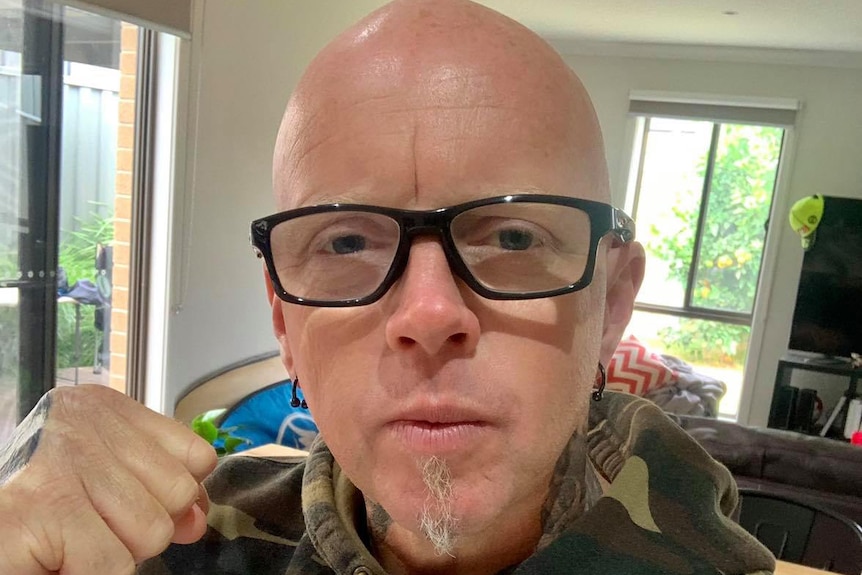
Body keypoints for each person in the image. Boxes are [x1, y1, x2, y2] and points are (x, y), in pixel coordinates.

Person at [0, 1, 775, 573]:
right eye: (344, 242)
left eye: (513, 237)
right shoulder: (178, 546)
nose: (430, 313)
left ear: (609, 305)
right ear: (282, 317)